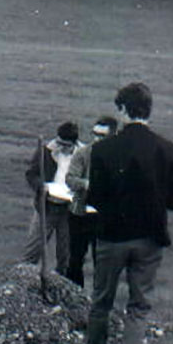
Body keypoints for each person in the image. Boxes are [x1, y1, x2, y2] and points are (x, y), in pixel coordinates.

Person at [83, 82, 173, 344]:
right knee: (139, 303)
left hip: (111, 237)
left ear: (121, 110)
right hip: (150, 237)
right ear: (149, 111)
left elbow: (94, 196)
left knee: (101, 300)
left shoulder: (104, 149)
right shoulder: (170, 150)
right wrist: (164, 202)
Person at [22, 121, 81, 278]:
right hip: (46, 207)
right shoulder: (46, 151)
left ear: (74, 144)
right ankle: (22, 284)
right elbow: (31, 174)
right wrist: (42, 186)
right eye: (59, 143)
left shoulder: (83, 155)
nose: (60, 147)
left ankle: (59, 287)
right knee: (32, 251)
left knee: (65, 254)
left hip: (69, 210)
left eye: (65, 145)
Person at [65, 116, 118, 288]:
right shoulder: (83, 153)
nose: (96, 139)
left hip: (105, 217)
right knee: (75, 260)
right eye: (95, 134)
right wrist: (86, 184)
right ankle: (74, 298)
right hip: (80, 214)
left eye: (102, 136)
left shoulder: (119, 158)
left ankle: (99, 304)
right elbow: (70, 178)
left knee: (102, 263)